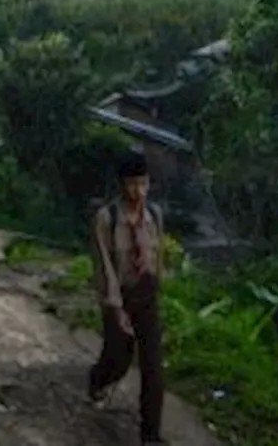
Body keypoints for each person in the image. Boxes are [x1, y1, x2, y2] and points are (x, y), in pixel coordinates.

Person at [88, 152, 167, 446]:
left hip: (146, 294)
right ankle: (98, 379)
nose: (139, 192)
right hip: (118, 294)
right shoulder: (106, 219)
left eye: (144, 184)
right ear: (121, 185)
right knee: (119, 357)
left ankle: (150, 436)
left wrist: (158, 284)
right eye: (133, 185)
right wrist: (115, 308)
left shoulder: (154, 215)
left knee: (153, 367)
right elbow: (104, 267)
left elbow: (158, 254)